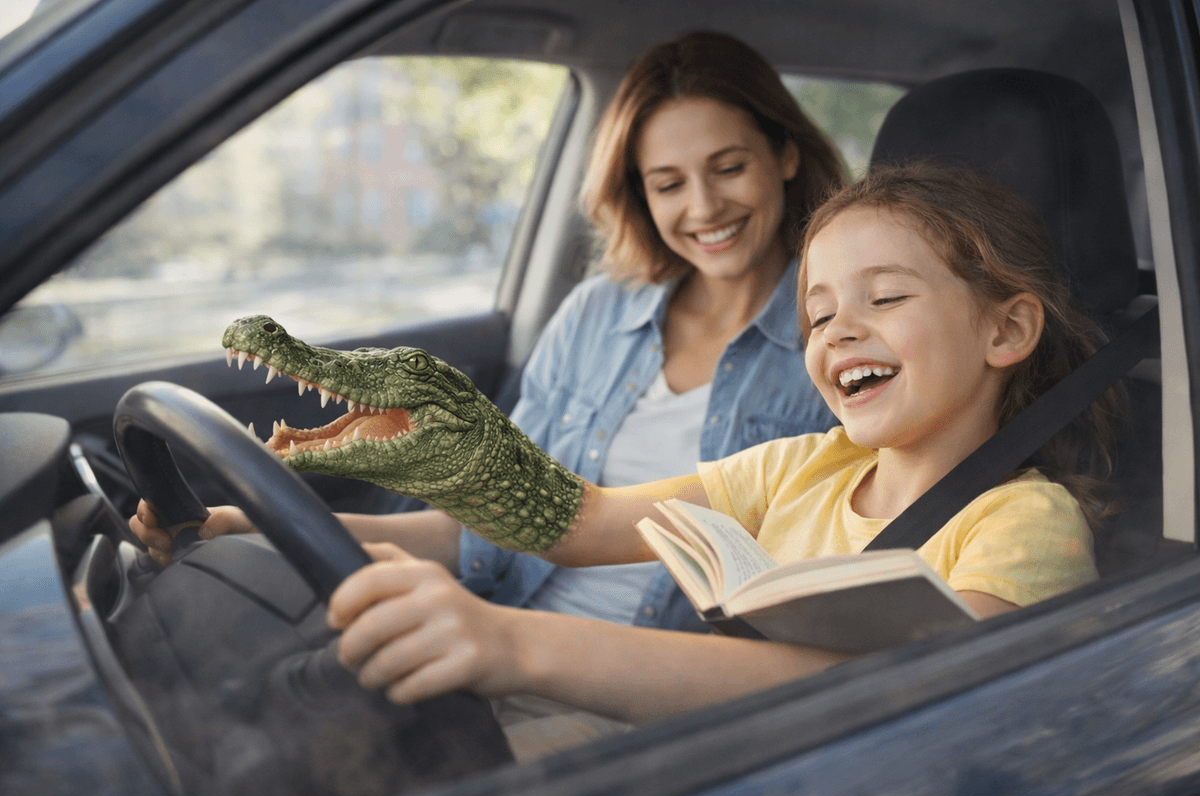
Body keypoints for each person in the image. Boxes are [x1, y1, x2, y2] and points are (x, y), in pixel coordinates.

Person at [132, 30, 844, 756]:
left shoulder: (844, 343)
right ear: (638, 191)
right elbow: (484, 527)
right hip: (485, 640)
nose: (704, 206)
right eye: (668, 183)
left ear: (785, 155)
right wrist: (250, 525)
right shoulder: (596, 314)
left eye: (729, 167)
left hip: (644, 708)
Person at [312, 162, 1117, 750]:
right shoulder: (798, 465)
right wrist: (445, 457)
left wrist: (515, 644)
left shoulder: (1025, 521)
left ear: (1006, 330)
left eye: (887, 297)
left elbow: (928, 699)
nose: (837, 330)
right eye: (819, 310)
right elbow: (583, 522)